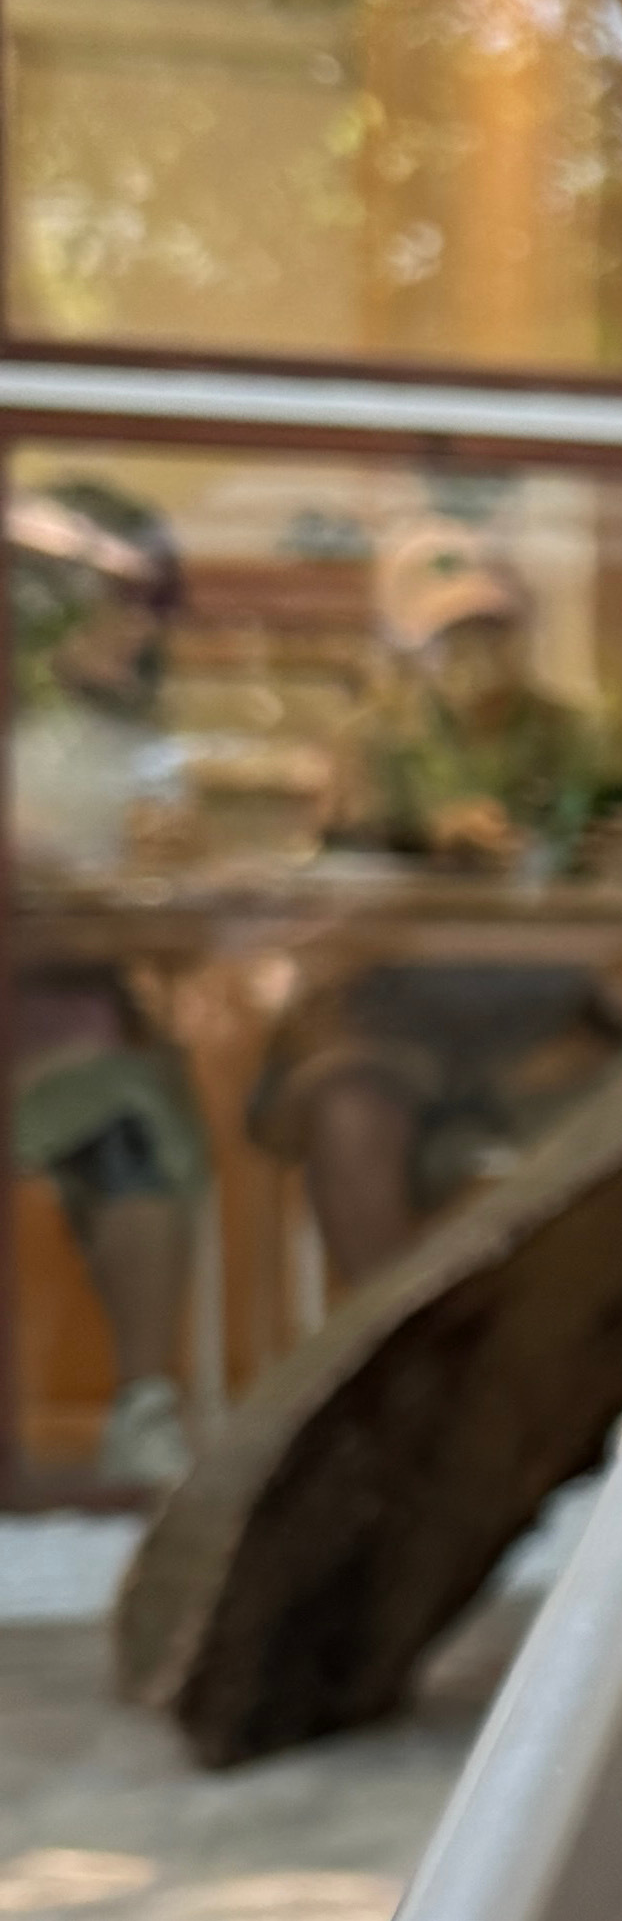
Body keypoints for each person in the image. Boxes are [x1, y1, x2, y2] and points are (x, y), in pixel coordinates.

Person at [252, 521, 622, 1291]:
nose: (476, 654)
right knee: (348, 1110)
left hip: (543, 1000)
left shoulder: (585, 736)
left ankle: (573, 1356)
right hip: (388, 1004)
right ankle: (391, 1351)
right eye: (452, 634)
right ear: (408, 643)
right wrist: (421, 843)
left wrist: (611, 851)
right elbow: (320, 884)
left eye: (491, 629)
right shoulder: (366, 743)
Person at [9, 475, 215, 1500]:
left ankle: (145, 1405)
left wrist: (176, 889)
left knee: (136, 1122)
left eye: (151, 603)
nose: (138, 625)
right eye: (119, 598)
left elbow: (164, 926)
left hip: (73, 1026)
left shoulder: (145, 745)